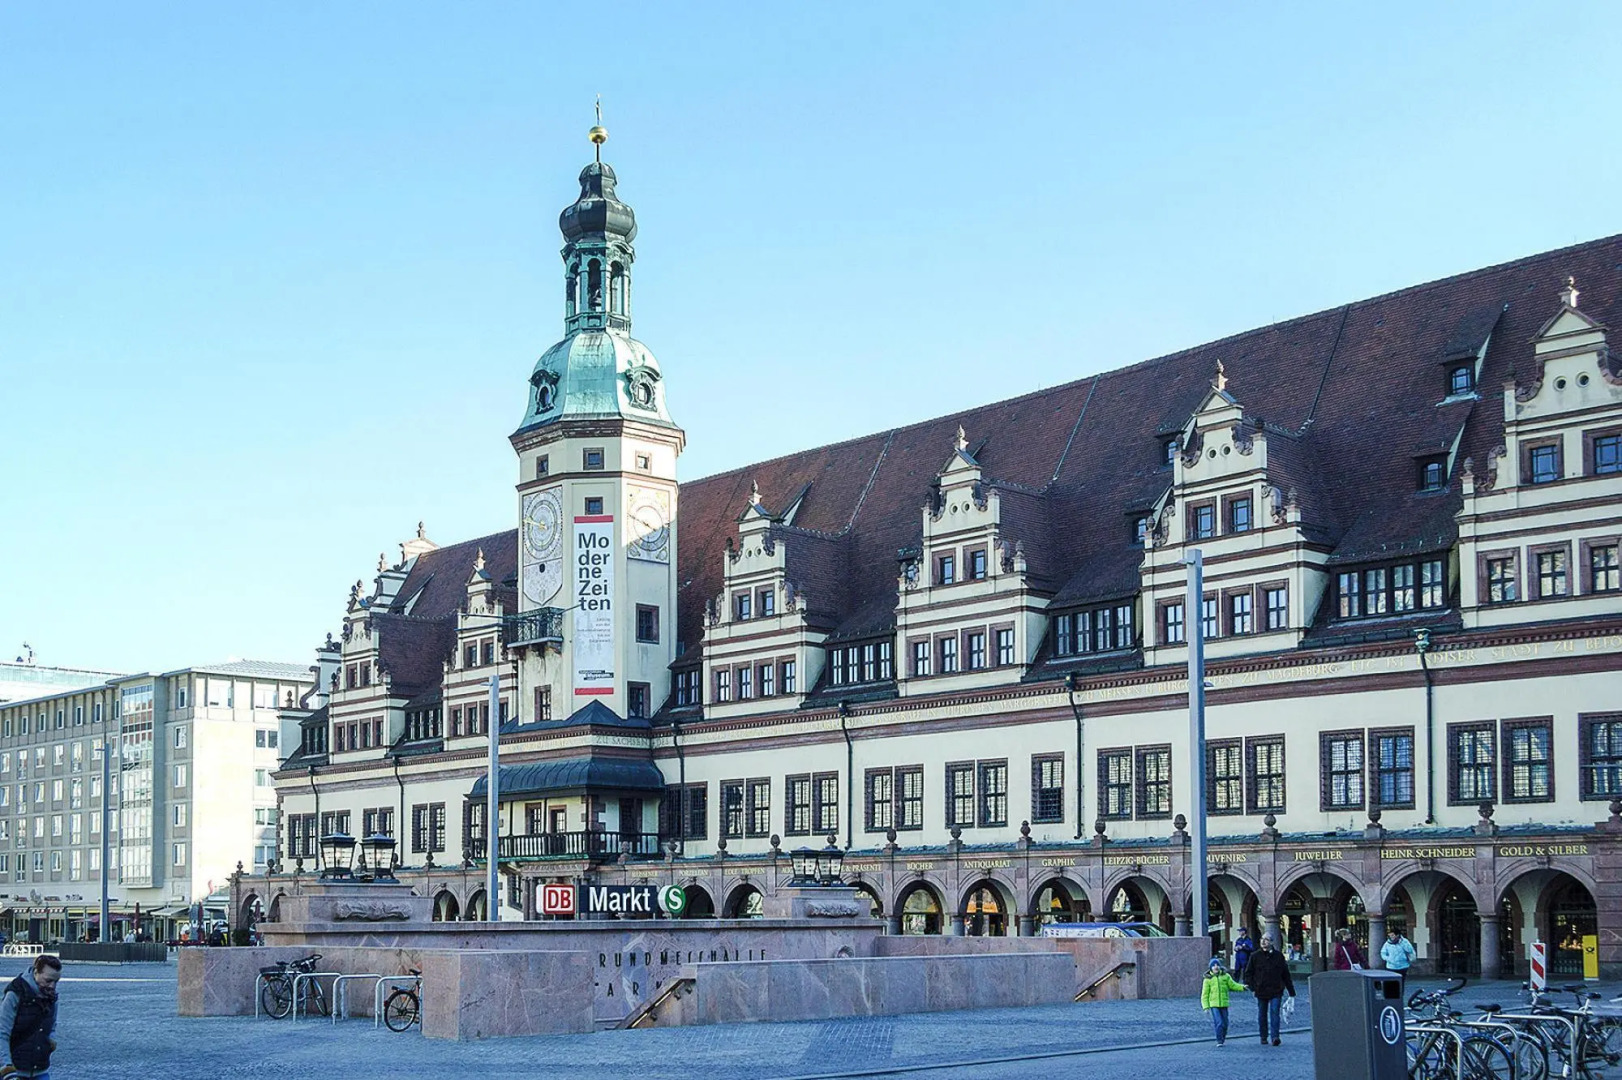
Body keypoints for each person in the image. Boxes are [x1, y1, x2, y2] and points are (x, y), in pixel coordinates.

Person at [0, 953, 60, 1079]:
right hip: (14, 1072)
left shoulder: (52, 997)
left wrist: (50, 1041)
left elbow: (52, 1026)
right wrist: (7, 1067)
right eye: (48, 981)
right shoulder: (15, 993)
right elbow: (2, 1032)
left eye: (56, 981)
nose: (52, 986)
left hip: (41, 1070)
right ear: (36, 972)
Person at [1246, 933, 1296, 1046]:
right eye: (1262, 939)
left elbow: (1285, 975)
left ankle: (1275, 1037)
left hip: (1276, 989)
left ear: (1272, 942)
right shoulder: (1255, 956)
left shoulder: (1278, 956)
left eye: (1266, 940)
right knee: (1262, 1014)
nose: (1263, 941)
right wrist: (1253, 988)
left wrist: (1291, 992)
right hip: (1261, 990)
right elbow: (1248, 974)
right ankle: (1263, 1036)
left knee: (1275, 1013)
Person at [1201, 957, 1247, 1046]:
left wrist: (1242, 987)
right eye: (1213, 965)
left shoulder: (1226, 976)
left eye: (1217, 965)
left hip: (1224, 1003)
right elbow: (1205, 994)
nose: (1216, 967)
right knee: (1219, 1022)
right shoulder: (1208, 979)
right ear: (1210, 968)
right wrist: (1205, 1007)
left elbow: (1233, 985)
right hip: (1214, 1004)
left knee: (1225, 1023)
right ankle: (1219, 1041)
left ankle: (1223, 1037)